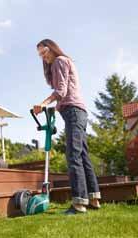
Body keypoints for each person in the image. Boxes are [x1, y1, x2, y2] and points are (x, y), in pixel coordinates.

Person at [33, 39, 101, 215]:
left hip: (73, 112)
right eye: (39, 54)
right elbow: (67, 93)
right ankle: (93, 198)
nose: (43, 56)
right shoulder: (64, 62)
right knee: (82, 154)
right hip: (77, 111)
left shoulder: (59, 61)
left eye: (44, 51)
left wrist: (43, 103)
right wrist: (55, 109)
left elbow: (61, 91)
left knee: (73, 154)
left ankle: (79, 203)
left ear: (52, 48)